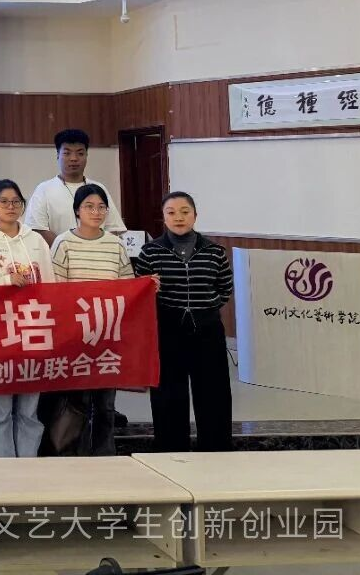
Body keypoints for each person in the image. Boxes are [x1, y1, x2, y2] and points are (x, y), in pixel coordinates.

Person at [134, 192, 233, 453]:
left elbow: (225, 287)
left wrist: (205, 307)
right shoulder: (150, 252)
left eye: (185, 211)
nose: (178, 217)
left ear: (195, 216)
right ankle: (171, 451)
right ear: (163, 218)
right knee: (169, 393)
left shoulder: (214, 252)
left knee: (213, 392)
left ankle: (216, 450)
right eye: (171, 212)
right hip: (167, 329)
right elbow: (140, 290)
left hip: (207, 329)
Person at [0, 178, 55, 458]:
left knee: (29, 409)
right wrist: (5, 280)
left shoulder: (35, 240)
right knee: (0, 409)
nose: (10, 206)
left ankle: (27, 463)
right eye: (3, 201)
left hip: (33, 328)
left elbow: (50, 283)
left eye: (16, 201)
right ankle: (2, 467)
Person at [49, 185, 133, 456]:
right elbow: (56, 292)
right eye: (89, 206)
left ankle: (105, 457)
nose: (96, 212)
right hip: (75, 336)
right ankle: (74, 459)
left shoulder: (116, 245)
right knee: (77, 402)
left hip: (107, 335)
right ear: (77, 210)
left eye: (101, 207)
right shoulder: (63, 243)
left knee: (106, 405)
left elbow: (127, 287)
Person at [25, 129, 126, 247]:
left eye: (80, 153)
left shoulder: (99, 189)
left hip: (96, 254)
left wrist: (94, 249)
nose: (74, 158)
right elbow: (37, 228)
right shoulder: (44, 189)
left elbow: (112, 228)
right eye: (67, 153)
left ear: (86, 155)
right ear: (57, 155)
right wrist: (68, 249)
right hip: (57, 255)